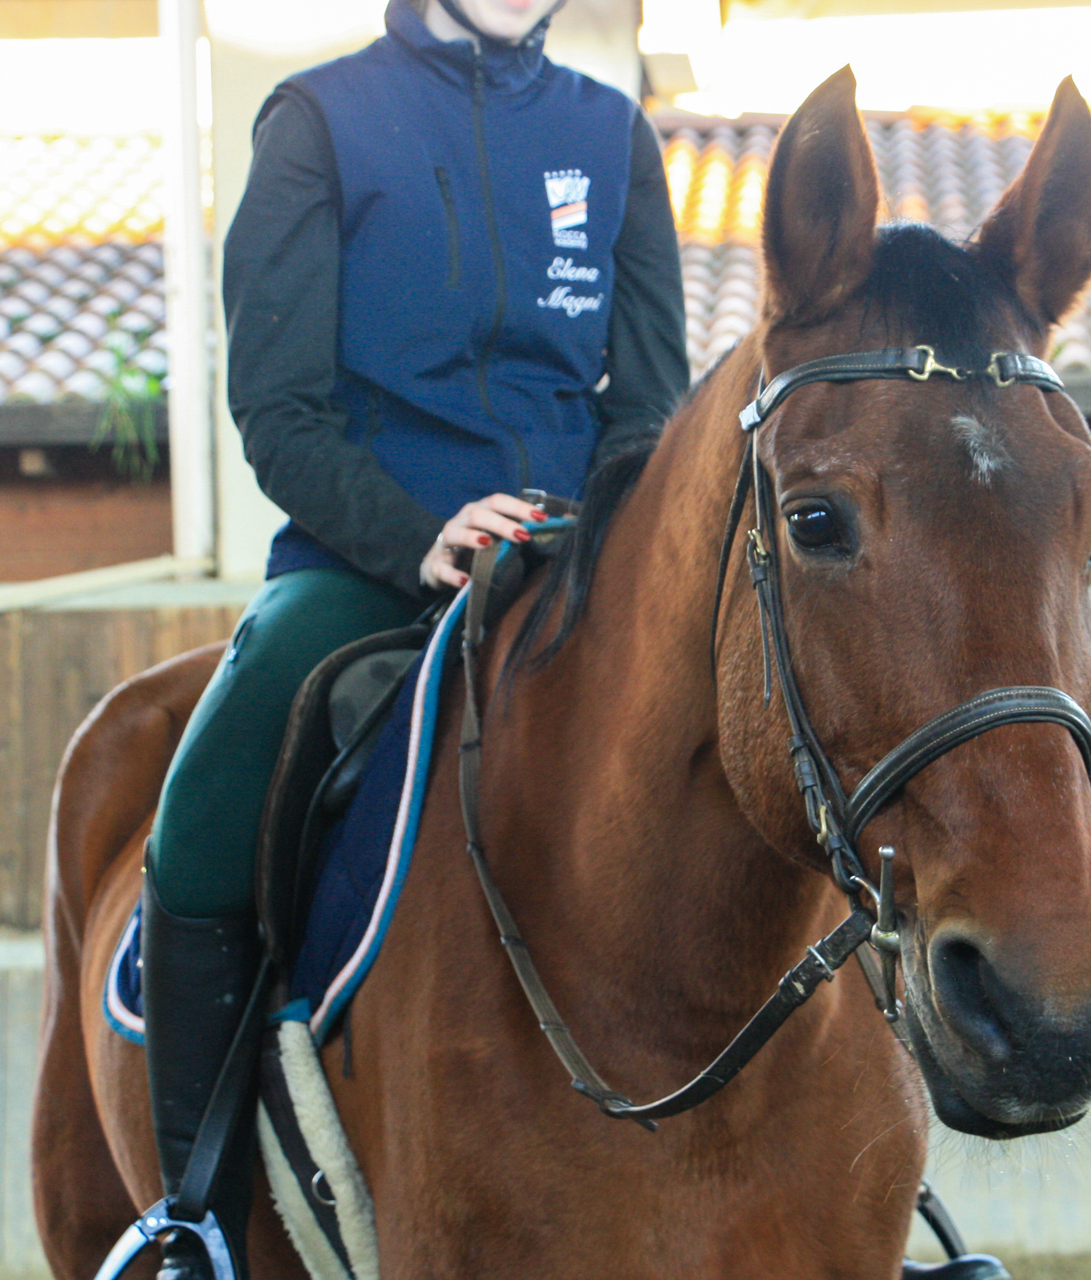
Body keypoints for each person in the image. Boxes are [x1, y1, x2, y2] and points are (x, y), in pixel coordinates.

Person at [137, 0, 688, 1271]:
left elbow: (649, 396)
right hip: (369, 563)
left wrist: (584, 528)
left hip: (571, 562)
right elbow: (278, 408)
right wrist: (417, 534)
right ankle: (192, 1217)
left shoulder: (614, 137)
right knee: (206, 790)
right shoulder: (320, 121)